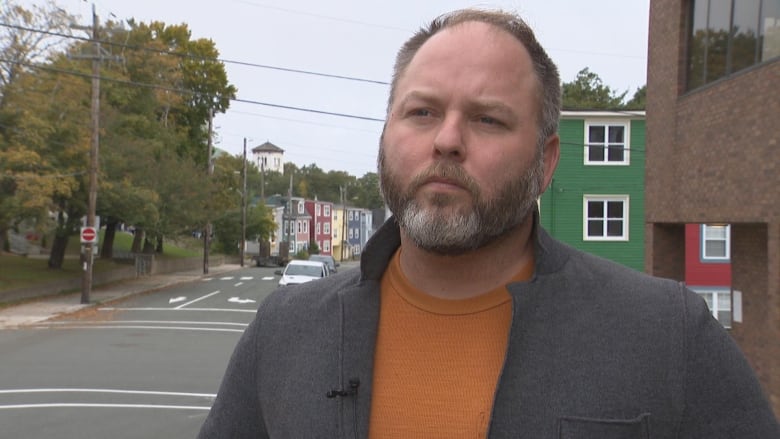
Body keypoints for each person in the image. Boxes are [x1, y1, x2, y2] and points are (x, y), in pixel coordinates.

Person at [198, 8, 779, 438]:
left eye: (489, 119)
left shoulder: (668, 334)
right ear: (384, 137)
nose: (447, 140)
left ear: (546, 161)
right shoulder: (286, 328)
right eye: (421, 112)